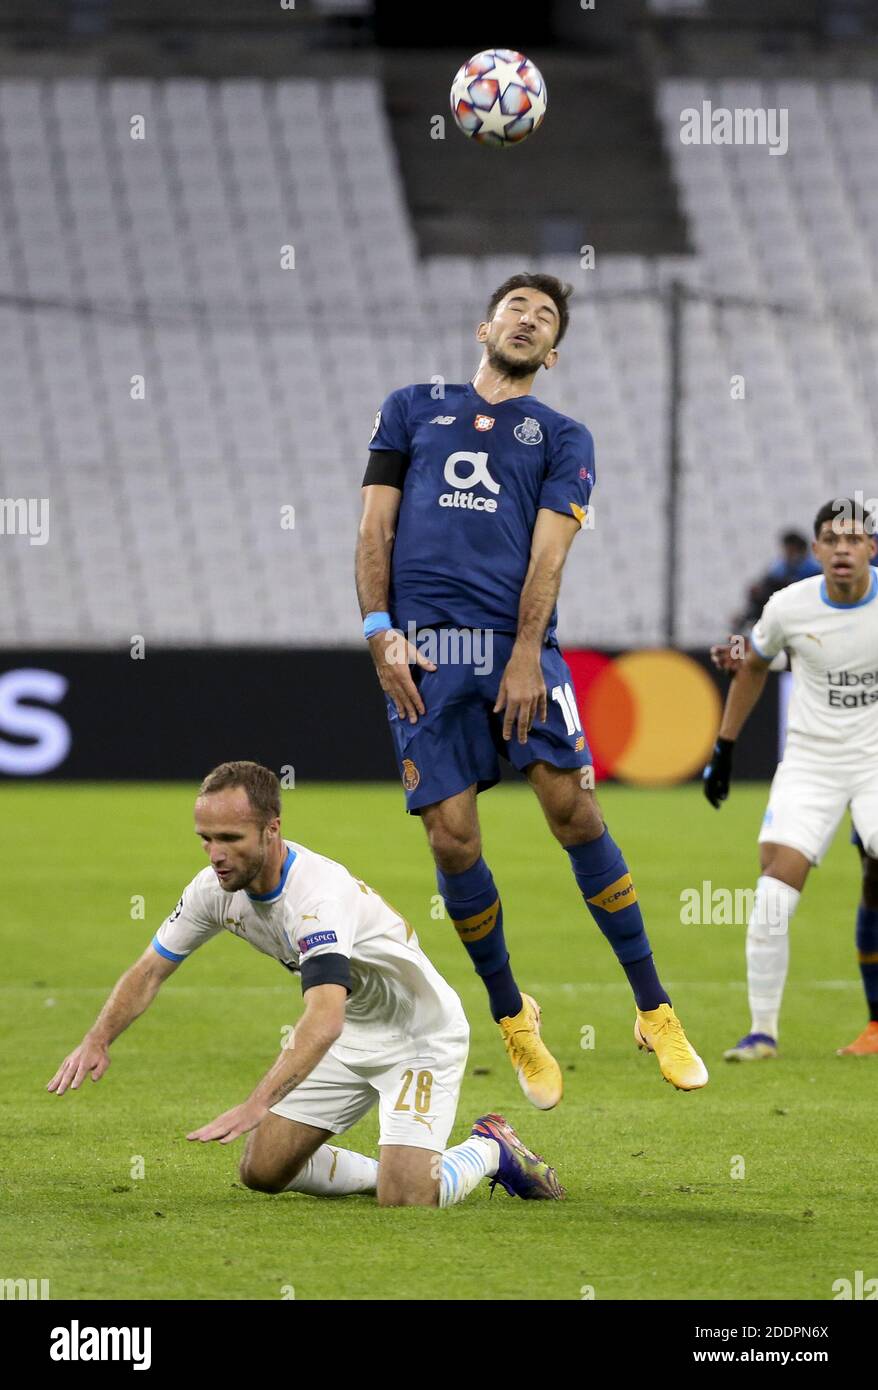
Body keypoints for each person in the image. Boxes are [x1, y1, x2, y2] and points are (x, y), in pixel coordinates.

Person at [355, 271, 707, 1107]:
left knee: (573, 810)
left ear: (552, 355)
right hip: (427, 656)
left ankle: (654, 1008)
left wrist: (523, 655)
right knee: (452, 841)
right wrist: (379, 634)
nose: (529, 319)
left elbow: (549, 557)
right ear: (485, 328)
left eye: (546, 317)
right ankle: (514, 1016)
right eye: (517, 307)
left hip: (520, 655)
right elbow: (375, 526)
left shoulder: (563, 437)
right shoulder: (411, 407)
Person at [47, 761, 564, 1206]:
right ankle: (397, 1171)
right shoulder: (214, 889)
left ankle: (490, 1147)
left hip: (417, 1037)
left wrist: (257, 1103)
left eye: (230, 839)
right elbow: (149, 970)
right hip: (346, 1037)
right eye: (206, 839)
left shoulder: (316, 899)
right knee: (263, 1173)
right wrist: (98, 1039)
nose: (215, 854)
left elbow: (323, 1019)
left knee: (408, 1201)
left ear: (272, 829)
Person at [704, 499, 878, 1059]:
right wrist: (725, 749)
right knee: (773, 895)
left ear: (872, 548)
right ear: (818, 549)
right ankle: (762, 1033)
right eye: (832, 539)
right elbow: (753, 663)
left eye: (854, 539)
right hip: (812, 764)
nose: (843, 549)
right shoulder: (788, 606)